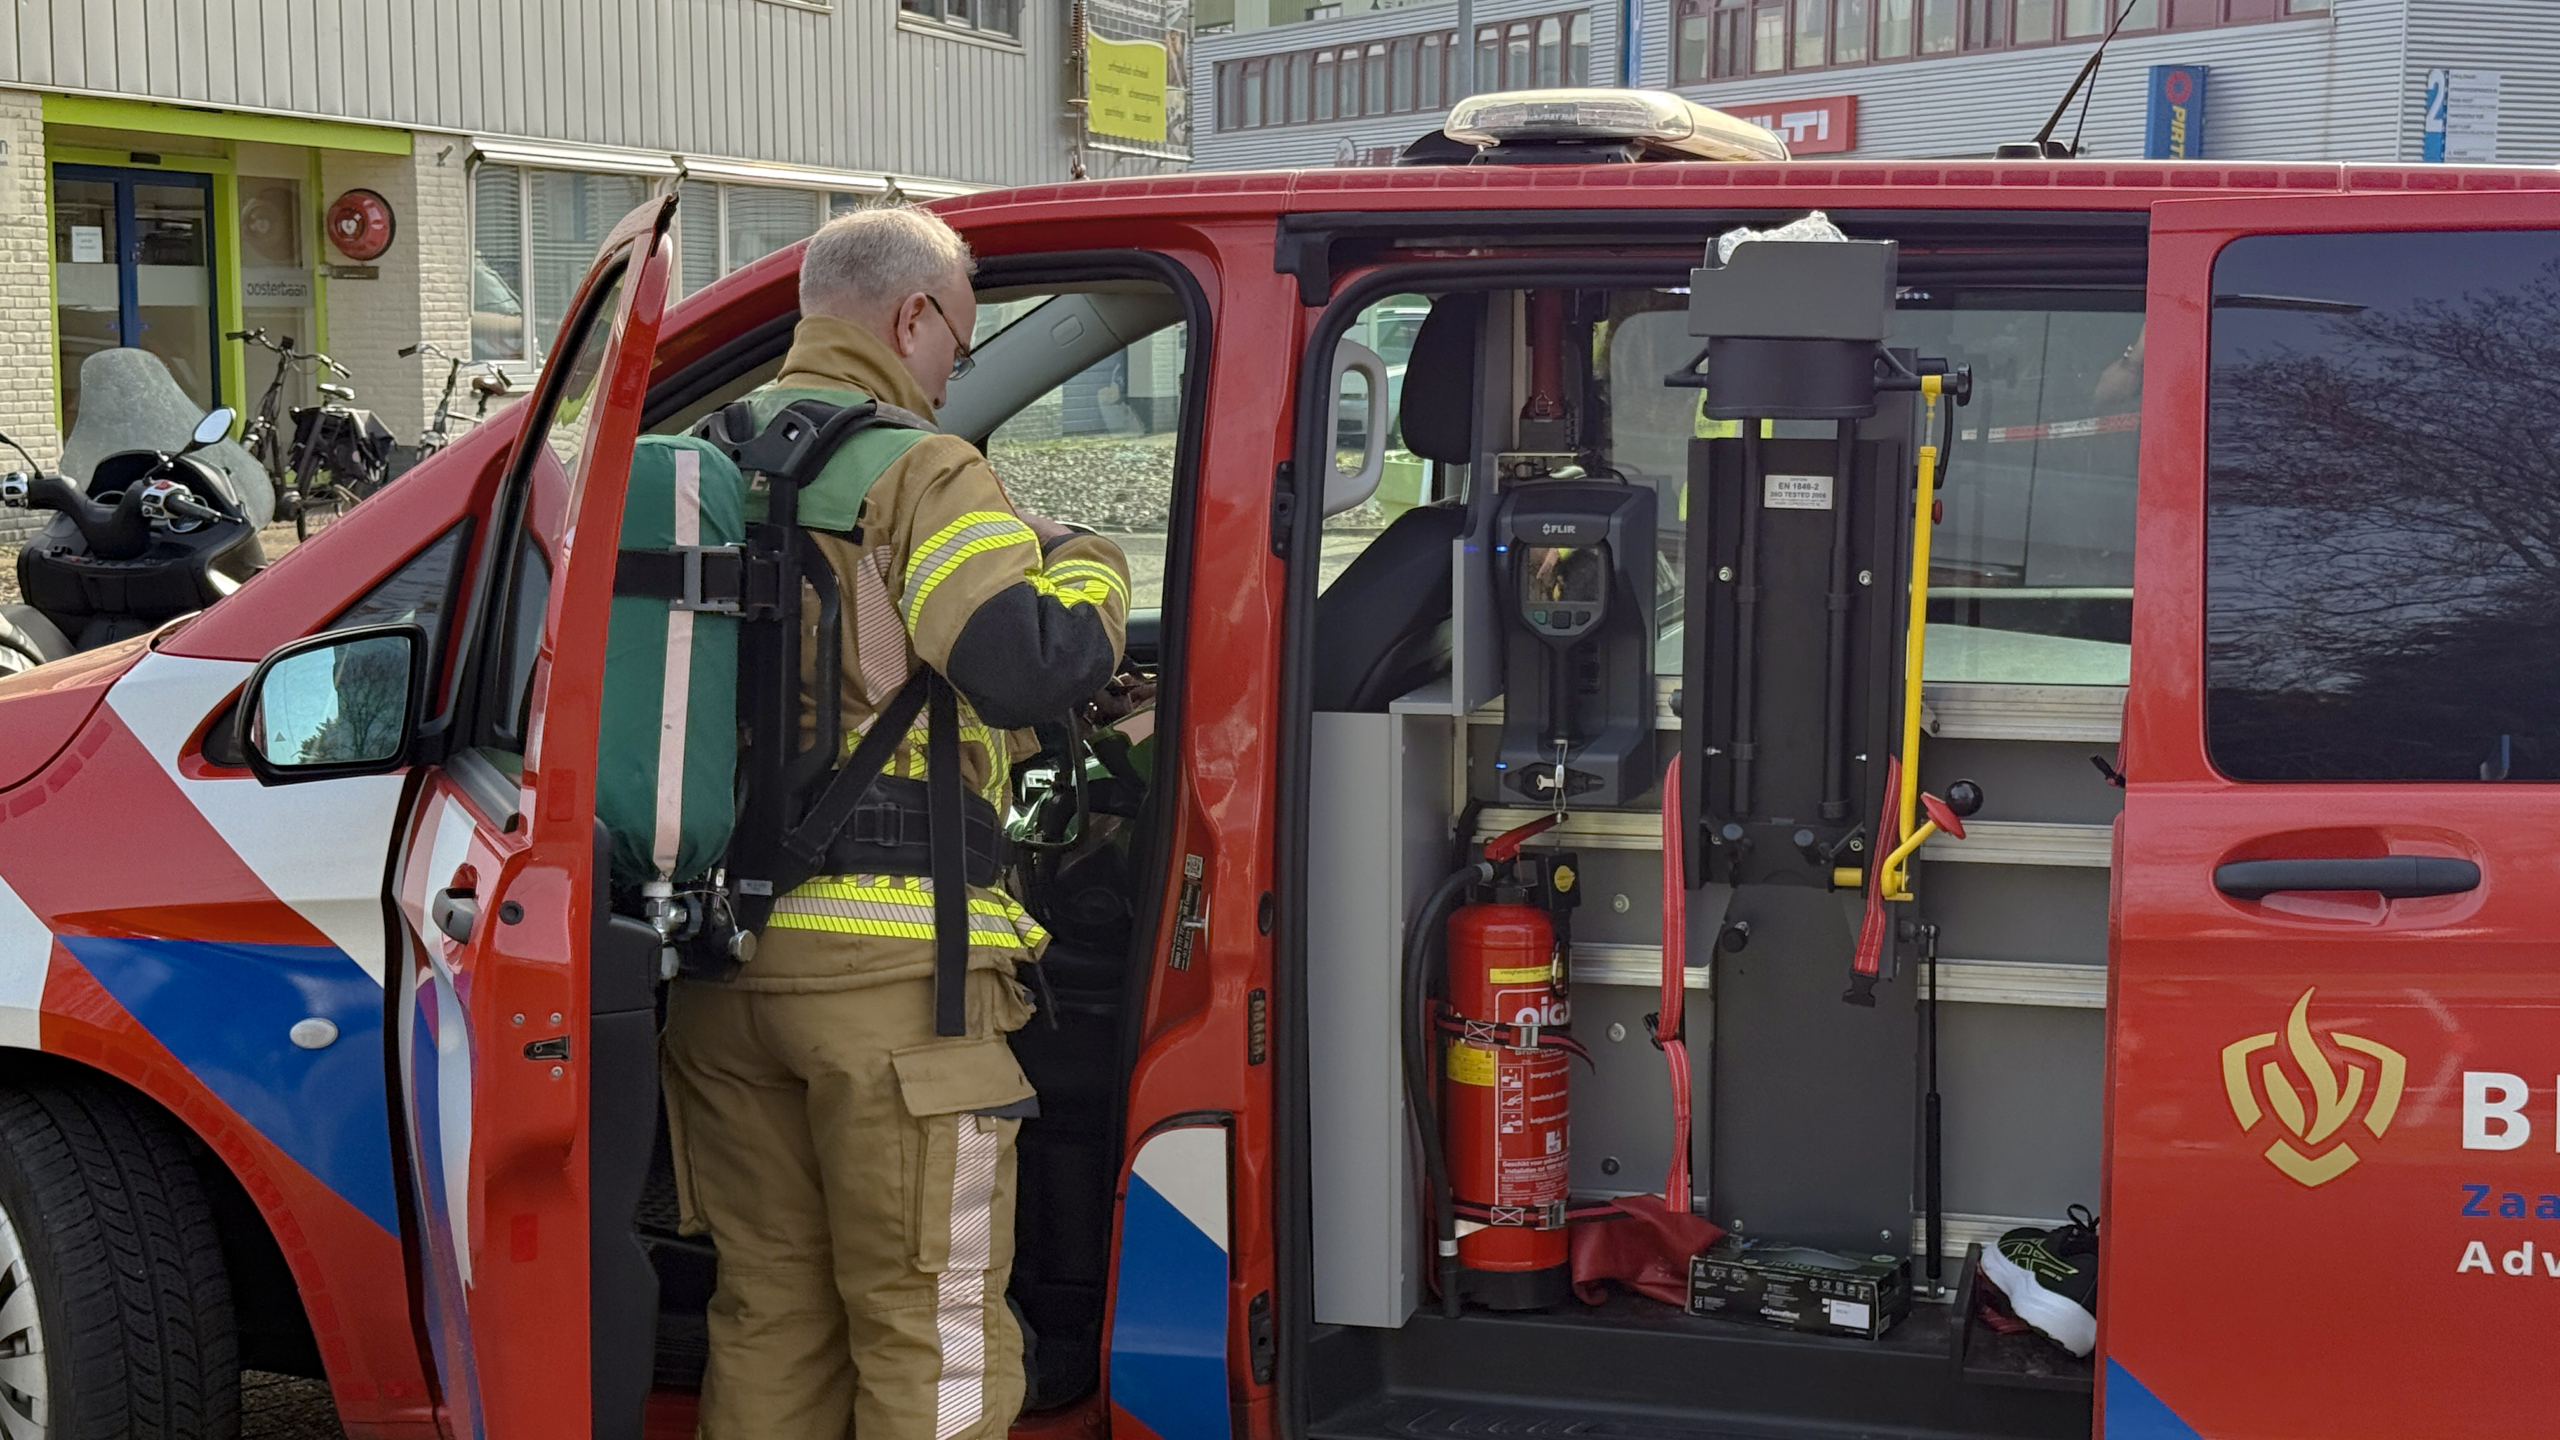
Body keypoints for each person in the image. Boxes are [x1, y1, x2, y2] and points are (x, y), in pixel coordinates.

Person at [660, 206, 1131, 1439]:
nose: (949, 374)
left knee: (768, 1313)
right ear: (912, 315)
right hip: (896, 993)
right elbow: (1024, 663)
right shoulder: (919, 467)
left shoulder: (696, 461)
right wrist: (1090, 563)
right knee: (935, 1328)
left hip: (722, 981)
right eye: (958, 347)